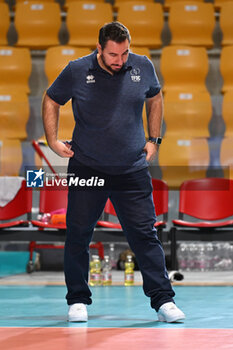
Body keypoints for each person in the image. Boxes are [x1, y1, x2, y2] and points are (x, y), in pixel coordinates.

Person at [42, 21, 185, 323]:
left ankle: (163, 301)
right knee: (78, 234)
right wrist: (53, 140)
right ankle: (78, 299)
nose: (120, 61)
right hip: (87, 166)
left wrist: (154, 139)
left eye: (124, 54)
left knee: (145, 235)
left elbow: (155, 97)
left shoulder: (142, 65)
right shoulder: (76, 70)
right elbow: (52, 99)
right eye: (113, 56)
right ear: (99, 50)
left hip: (130, 168)